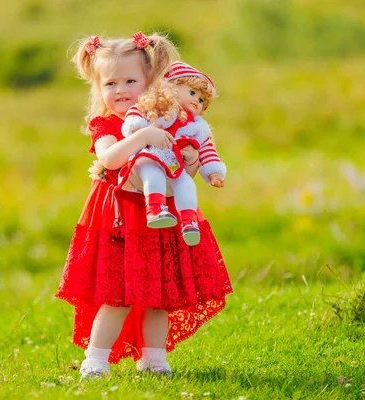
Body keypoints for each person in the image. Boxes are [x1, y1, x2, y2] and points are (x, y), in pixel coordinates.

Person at [55, 32, 233, 379]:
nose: (120, 89)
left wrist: (193, 158)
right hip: (120, 217)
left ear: (152, 82)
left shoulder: (167, 122)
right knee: (117, 294)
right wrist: (141, 137)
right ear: (99, 87)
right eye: (110, 82)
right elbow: (109, 157)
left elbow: (182, 173)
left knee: (158, 295)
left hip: (161, 214)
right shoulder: (107, 124)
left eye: (130, 80)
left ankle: (154, 359)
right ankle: (96, 359)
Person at [119, 61, 227, 246]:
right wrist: (141, 131)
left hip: (175, 164)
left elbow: (207, 149)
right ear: (172, 88)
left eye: (201, 100)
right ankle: (155, 208)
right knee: (152, 174)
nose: (196, 101)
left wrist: (213, 172)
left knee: (186, 185)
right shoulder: (154, 108)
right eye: (192, 93)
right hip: (149, 156)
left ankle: (188, 220)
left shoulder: (197, 126)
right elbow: (133, 116)